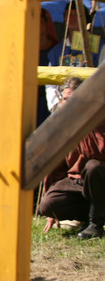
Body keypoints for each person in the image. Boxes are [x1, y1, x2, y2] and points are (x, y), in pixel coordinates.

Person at [38, 77, 105, 240]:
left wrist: (84, 122)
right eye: (66, 99)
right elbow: (56, 165)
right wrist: (51, 211)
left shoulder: (99, 118)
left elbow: (96, 153)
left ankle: (96, 223)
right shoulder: (63, 123)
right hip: (78, 182)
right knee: (48, 205)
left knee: (93, 167)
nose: (69, 104)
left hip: (100, 179)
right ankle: (87, 217)